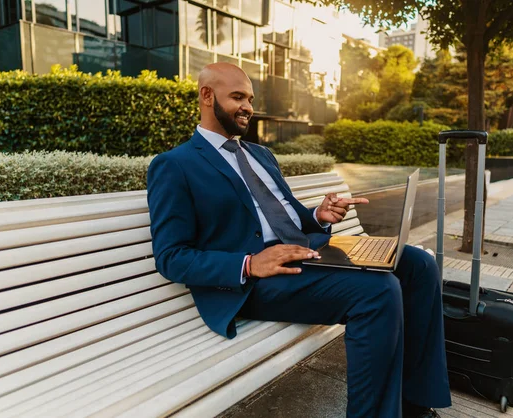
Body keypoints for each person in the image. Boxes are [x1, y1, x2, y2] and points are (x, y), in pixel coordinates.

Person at [147, 62, 451, 418]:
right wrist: (249, 263)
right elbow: (171, 256)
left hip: (305, 255)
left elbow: (285, 215)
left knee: (418, 264)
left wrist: (318, 216)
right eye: (238, 97)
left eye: (250, 98)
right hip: (255, 281)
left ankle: (413, 405)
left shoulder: (260, 155)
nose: (247, 106)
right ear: (206, 95)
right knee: (379, 292)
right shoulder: (174, 164)